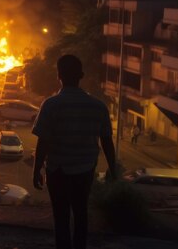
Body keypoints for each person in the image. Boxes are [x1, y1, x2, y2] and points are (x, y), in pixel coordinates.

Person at [32, 54, 116, 249]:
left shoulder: (50, 105)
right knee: (81, 213)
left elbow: (43, 141)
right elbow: (107, 142)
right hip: (84, 171)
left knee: (60, 217)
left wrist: (36, 169)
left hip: (57, 171)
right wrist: (113, 168)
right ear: (81, 75)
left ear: (58, 76)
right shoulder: (98, 106)